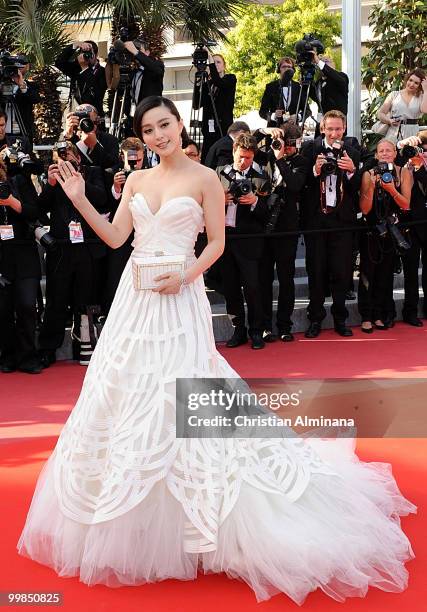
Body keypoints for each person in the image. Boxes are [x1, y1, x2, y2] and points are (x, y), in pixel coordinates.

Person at [18, 95, 415, 605]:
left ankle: (209, 513)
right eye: (149, 129)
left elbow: (216, 244)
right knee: (125, 397)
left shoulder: (207, 177)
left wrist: (183, 276)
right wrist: (78, 198)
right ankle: (135, 514)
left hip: (179, 297)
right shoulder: (136, 180)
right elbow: (117, 238)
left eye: (165, 124)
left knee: (185, 394)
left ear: (180, 125)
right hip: (134, 302)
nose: (159, 135)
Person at [300, 110, 361, 338]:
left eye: (338, 129)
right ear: (322, 129)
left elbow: (359, 190)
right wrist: (315, 170)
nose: (334, 133)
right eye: (330, 129)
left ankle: (340, 319)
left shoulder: (353, 152)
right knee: (316, 271)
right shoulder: (310, 149)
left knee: (342, 272)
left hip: (343, 223)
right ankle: (315, 319)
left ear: (344, 129)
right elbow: (299, 183)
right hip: (316, 221)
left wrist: (353, 171)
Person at [217, 133, 271, 350]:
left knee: (252, 288)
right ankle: (238, 330)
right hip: (225, 239)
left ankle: (256, 331)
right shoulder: (219, 174)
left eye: (248, 158)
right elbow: (204, 202)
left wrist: (256, 201)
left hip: (249, 241)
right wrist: (219, 199)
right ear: (233, 152)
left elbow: (269, 213)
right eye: (240, 157)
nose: (243, 162)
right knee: (230, 288)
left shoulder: (261, 177)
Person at [258, 123, 309, 342]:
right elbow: (246, 141)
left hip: (287, 228)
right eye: (282, 143)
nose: (284, 148)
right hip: (264, 226)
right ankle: (265, 326)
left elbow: (296, 185)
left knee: (286, 279)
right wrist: (265, 131)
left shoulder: (302, 161)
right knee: (263, 278)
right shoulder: (265, 157)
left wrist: (280, 159)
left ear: (297, 143)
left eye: (289, 144)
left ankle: (285, 325)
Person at [358, 139, 411, 333]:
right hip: (372, 231)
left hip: (393, 232)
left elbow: (406, 204)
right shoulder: (368, 174)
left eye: (389, 150)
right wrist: (372, 187)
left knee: (386, 274)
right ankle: (366, 316)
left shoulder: (403, 172)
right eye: (381, 151)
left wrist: (391, 189)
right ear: (376, 155)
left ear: (395, 153)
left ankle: (380, 314)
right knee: (367, 273)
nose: (385, 154)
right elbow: (364, 209)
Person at [0, 156, 42, 373]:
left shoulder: (20, 182)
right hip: (1, 256)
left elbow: (36, 212)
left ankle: (28, 356)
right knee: (3, 309)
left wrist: (11, 203)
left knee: (27, 305)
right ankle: (7, 356)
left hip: (25, 252)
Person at [399, 131, 427, 325]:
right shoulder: (409, 160)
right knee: (410, 270)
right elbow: (392, 158)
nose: (422, 152)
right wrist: (402, 145)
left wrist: (419, 166)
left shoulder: (418, 164)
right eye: (421, 148)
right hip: (410, 223)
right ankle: (410, 312)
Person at [194, 52, 237, 163]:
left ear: (224, 65)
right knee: (207, 160)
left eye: (218, 62)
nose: (216, 65)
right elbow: (196, 105)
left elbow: (220, 83)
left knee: (223, 159)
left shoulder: (230, 78)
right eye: (213, 62)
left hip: (223, 127)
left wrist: (210, 62)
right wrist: (198, 84)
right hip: (208, 129)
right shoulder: (208, 83)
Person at [55, 41, 107, 116]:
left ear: (96, 55)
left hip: (93, 115)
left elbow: (94, 94)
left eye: (89, 54)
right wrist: (75, 45)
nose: (87, 56)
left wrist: (85, 68)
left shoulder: (102, 71)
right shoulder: (76, 68)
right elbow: (59, 63)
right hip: (75, 113)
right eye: (84, 53)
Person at [376, 68, 427, 143]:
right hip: (394, 132)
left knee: (411, 154)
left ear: (420, 85)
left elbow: (424, 110)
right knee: (392, 153)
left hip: (412, 134)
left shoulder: (422, 97)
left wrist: (425, 90)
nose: (412, 84)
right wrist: (389, 120)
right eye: (410, 80)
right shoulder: (394, 94)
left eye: (416, 83)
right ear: (407, 80)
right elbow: (380, 113)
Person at [63, 103, 120, 169]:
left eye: (89, 122)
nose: (86, 125)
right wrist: (68, 135)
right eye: (81, 121)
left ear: (98, 121)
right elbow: (63, 161)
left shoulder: (110, 140)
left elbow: (112, 166)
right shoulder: (70, 139)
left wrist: (95, 146)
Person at [259, 57, 308, 127]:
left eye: (289, 67)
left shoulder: (299, 87)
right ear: (279, 69)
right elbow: (262, 112)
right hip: (274, 130)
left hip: (293, 130)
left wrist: (298, 116)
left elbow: (307, 110)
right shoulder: (270, 87)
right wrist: (273, 115)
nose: (286, 69)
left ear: (293, 70)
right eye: (284, 66)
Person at [309, 53, 349, 118]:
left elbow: (333, 75)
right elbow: (315, 97)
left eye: (326, 61)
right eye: (321, 62)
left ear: (333, 64)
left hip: (337, 121)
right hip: (323, 121)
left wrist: (319, 61)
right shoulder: (319, 82)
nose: (323, 63)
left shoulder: (342, 76)